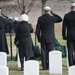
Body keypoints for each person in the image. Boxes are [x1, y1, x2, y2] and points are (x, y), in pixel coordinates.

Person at [36, 6, 62, 70]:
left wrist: (39, 38)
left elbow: (37, 30)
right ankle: (50, 65)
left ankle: (44, 66)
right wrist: (53, 13)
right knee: (50, 53)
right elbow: (60, 19)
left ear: (44, 11)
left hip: (43, 37)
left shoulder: (40, 18)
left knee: (43, 53)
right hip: (50, 37)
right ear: (49, 11)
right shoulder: (52, 18)